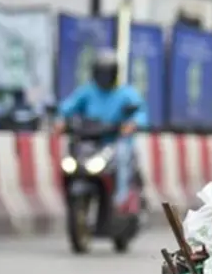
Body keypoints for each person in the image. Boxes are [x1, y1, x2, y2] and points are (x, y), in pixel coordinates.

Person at [52, 49, 148, 210]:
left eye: (107, 73)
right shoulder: (87, 92)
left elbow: (141, 112)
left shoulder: (125, 93)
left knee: (123, 157)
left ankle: (121, 200)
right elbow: (67, 107)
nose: (104, 77)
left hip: (115, 141)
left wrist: (132, 124)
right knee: (70, 159)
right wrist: (60, 121)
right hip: (90, 141)